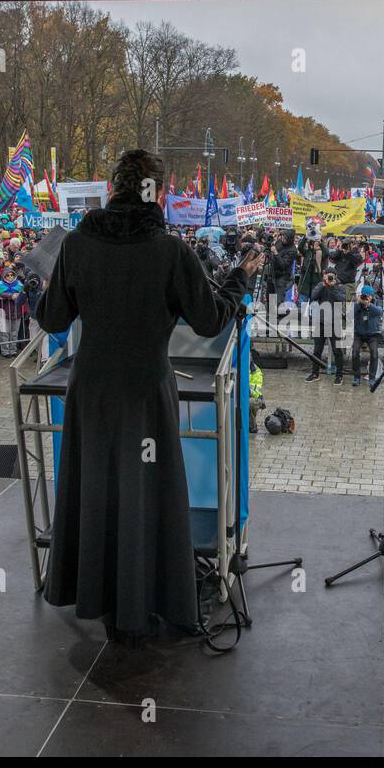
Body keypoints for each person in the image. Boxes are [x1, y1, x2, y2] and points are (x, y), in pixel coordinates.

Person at [34, 149, 263, 645]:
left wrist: (50, 281)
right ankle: (146, 600)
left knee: (97, 487)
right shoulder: (170, 252)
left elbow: (51, 320)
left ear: (112, 187)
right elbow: (209, 320)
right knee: (145, 493)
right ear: (156, 193)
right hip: (144, 390)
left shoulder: (76, 244)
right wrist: (239, 279)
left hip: (91, 390)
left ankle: (97, 597)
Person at [306, 270, 347, 384]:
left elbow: (341, 299)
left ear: (336, 276)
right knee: (317, 350)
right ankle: (315, 373)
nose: (328, 278)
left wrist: (332, 287)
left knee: (337, 351)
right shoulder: (321, 285)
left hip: (335, 323)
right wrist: (323, 285)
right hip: (321, 322)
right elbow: (313, 297)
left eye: (331, 276)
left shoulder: (340, 287)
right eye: (327, 276)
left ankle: (339, 375)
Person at [350, 285, 383, 388]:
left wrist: (368, 304)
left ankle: (372, 378)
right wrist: (358, 302)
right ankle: (356, 377)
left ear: (372, 296)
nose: (366, 297)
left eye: (369, 296)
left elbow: (379, 312)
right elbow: (349, 314)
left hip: (373, 334)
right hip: (359, 333)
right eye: (365, 295)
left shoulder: (376, 302)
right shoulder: (357, 304)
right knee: (355, 353)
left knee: (374, 354)